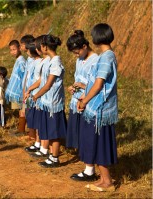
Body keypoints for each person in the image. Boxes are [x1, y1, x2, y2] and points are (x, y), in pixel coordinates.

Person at [75, 23, 118, 192]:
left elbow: (99, 84)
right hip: (96, 106)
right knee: (96, 142)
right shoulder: (106, 55)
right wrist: (84, 94)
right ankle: (103, 179)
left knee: (100, 143)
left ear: (97, 37)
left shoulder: (107, 57)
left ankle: (107, 182)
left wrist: (85, 101)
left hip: (99, 108)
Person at [65, 30, 99, 182]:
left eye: (77, 51)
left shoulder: (96, 60)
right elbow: (78, 79)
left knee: (87, 136)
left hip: (88, 103)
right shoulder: (80, 59)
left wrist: (83, 87)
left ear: (85, 46)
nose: (76, 55)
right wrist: (73, 87)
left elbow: (96, 85)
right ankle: (87, 166)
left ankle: (90, 170)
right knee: (80, 135)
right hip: (77, 101)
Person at [29, 35, 67, 168]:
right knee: (50, 130)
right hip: (47, 102)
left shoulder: (56, 62)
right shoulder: (50, 61)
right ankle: (51, 155)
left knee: (54, 132)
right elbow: (43, 81)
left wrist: (36, 95)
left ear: (44, 47)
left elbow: (48, 84)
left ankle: (55, 157)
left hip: (53, 103)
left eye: (39, 46)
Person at [25, 35, 50, 153]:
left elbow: (41, 80)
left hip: (40, 96)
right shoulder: (38, 61)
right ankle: (37, 143)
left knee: (40, 122)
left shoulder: (42, 62)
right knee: (36, 121)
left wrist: (31, 90)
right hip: (35, 95)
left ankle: (42, 146)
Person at [5, 40, 26, 134]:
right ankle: (20, 128)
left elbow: (24, 77)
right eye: (11, 50)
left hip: (21, 91)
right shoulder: (18, 60)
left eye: (14, 49)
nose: (12, 52)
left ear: (19, 48)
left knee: (23, 110)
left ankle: (22, 130)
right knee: (21, 110)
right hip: (19, 91)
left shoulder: (21, 61)